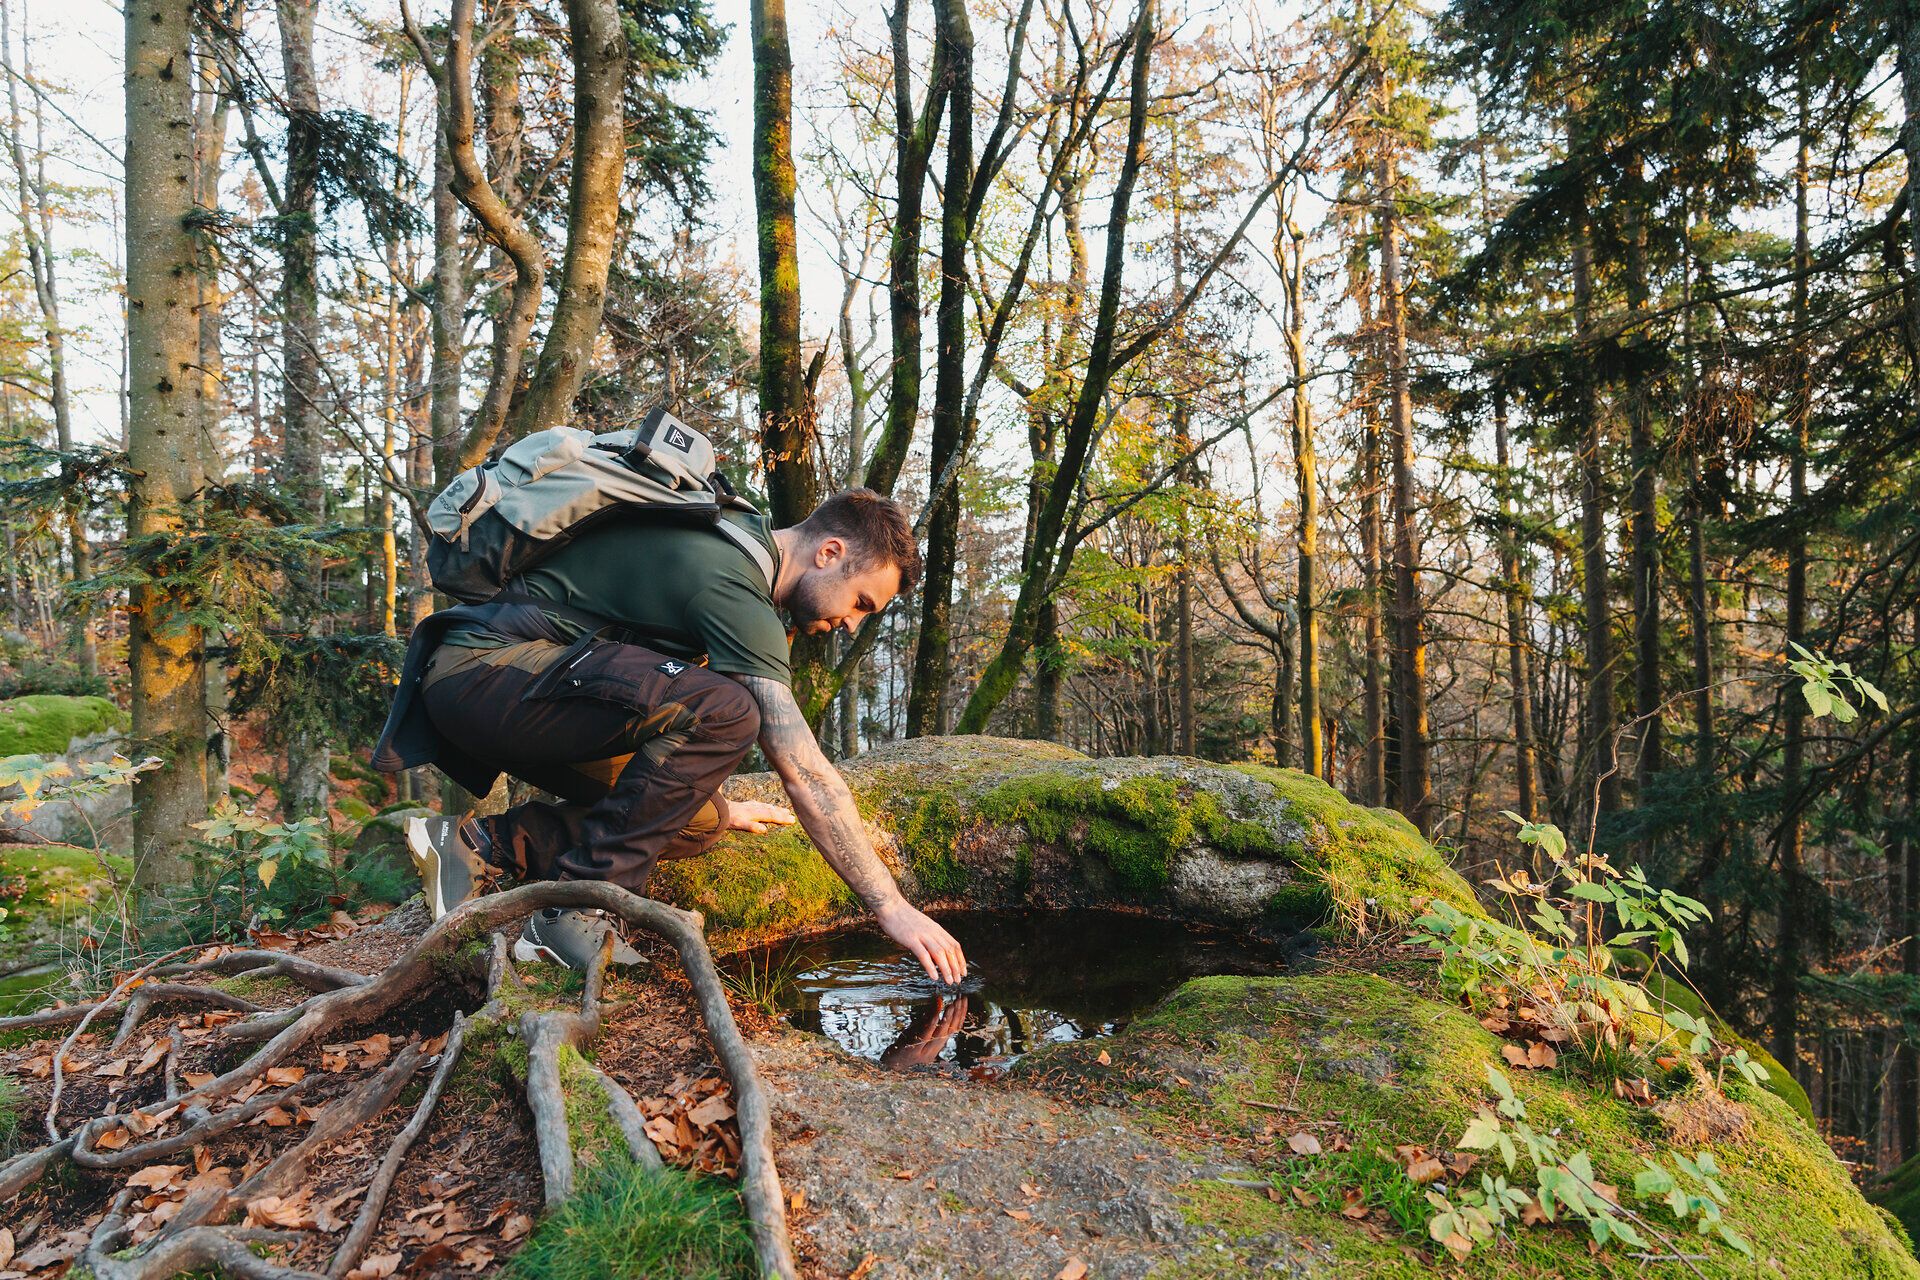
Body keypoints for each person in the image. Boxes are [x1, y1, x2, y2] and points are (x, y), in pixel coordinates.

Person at [371, 487, 968, 984]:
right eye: (861, 601)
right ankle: (573, 917)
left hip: (527, 692)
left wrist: (719, 804)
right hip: (482, 671)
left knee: (696, 818)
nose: (850, 622)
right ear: (829, 552)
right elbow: (804, 769)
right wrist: (890, 907)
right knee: (732, 711)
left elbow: (644, 712)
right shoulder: (731, 579)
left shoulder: (737, 541)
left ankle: (475, 843)